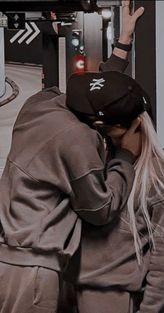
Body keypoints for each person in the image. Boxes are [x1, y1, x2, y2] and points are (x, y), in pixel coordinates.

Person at [0, 2, 144, 313]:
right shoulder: (77, 141)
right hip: (34, 272)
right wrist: (126, 156)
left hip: (12, 259)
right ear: (101, 125)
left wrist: (122, 45)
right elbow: (99, 207)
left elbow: (96, 91)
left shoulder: (42, 102)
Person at [63, 75, 164, 312]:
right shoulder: (105, 166)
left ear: (137, 125)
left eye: (112, 132)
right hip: (74, 291)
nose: (107, 139)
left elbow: (162, 261)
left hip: (115, 298)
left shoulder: (159, 178)